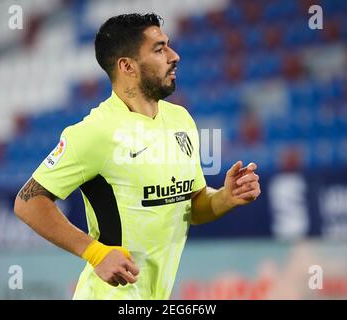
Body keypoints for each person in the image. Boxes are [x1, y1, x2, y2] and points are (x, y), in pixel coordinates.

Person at [14, 13, 261, 300]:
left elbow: (190, 206)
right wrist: (95, 253)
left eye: (168, 45)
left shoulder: (180, 119)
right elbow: (28, 202)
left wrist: (225, 197)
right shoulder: (94, 132)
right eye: (159, 49)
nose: (174, 55)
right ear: (127, 66)